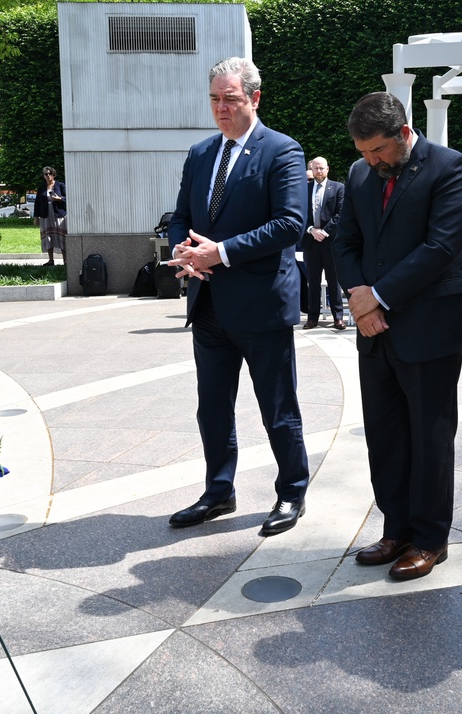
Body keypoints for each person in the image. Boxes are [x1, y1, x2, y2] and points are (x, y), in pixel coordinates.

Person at [333, 91, 462, 581]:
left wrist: (378, 297)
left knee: (430, 437)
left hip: (429, 329)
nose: (371, 161)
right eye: (363, 152)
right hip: (374, 330)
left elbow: (440, 247)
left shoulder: (451, 168)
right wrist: (359, 298)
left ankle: (431, 538)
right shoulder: (359, 175)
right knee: (385, 435)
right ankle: (395, 528)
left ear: (403, 133)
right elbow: (345, 240)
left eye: (378, 150)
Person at [165, 57, 310, 536]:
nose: (221, 108)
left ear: (254, 98)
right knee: (212, 407)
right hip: (208, 306)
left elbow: (290, 224)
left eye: (230, 98)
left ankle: (292, 492)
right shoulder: (201, 152)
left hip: (260, 305)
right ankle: (218, 490)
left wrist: (219, 253)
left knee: (277, 407)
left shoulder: (282, 151)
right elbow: (181, 215)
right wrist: (184, 250)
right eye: (214, 99)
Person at [303, 156, 346, 330]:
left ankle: (338, 317)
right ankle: (312, 318)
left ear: (328, 169)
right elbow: (299, 214)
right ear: (311, 170)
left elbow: (341, 213)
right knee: (312, 281)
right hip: (311, 242)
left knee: (333, 280)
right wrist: (311, 230)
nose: (319, 171)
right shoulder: (303, 190)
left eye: (322, 168)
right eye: (316, 168)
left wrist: (325, 231)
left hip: (331, 242)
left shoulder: (338, 188)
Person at [33, 167, 67, 266]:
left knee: (61, 236)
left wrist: (59, 198)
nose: (48, 176)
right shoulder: (42, 187)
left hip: (58, 214)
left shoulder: (60, 185)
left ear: (53, 174)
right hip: (45, 214)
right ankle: (51, 260)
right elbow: (37, 203)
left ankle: (65, 261)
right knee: (48, 237)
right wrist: (36, 217)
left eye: (49, 174)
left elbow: (68, 197)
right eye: (45, 174)